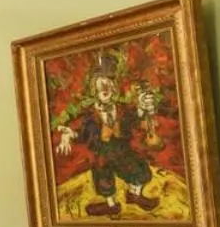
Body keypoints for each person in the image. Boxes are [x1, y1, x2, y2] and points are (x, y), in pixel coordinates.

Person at [54, 61, 160, 218]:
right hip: (102, 152)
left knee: (139, 169)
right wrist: (68, 134)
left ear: (114, 88)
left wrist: (143, 108)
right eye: (101, 88)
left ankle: (134, 195)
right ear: (94, 91)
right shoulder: (90, 114)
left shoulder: (121, 108)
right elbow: (80, 128)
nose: (106, 90)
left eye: (109, 86)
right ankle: (111, 205)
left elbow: (133, 117)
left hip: (121, 149)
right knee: (103, 178)